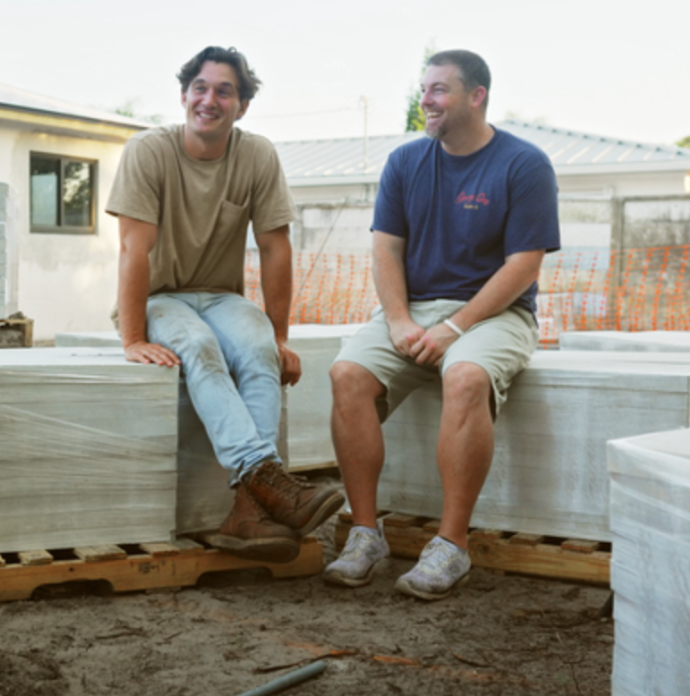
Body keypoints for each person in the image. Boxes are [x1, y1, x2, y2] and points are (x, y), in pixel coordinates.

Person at [322, 49, 560, 599]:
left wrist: (453, 329)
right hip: (414, 307)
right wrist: (401, 320)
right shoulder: (406, 163)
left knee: (465, 378)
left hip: (495, 312)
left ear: (476, 96)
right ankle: (365, 534)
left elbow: (524, 265)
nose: (425, 100)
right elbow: (386, 250)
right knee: (346, 375)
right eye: (423, 89)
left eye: (438, 90)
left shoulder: (523, 164)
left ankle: (451, 546)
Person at [107, 46, 344, 563]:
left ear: (242, 106)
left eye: (224, 91)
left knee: (257, 347)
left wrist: (279, 337)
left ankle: (246, 512)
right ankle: (267, 476)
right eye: (200, 87)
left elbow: (276, 247)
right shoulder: (148, 151)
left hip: (220, 296)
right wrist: (132, 339)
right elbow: (133, 249)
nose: (209, 99)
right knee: (198, 345)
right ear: (184, 95)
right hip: (159, 297)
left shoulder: (256, 155)